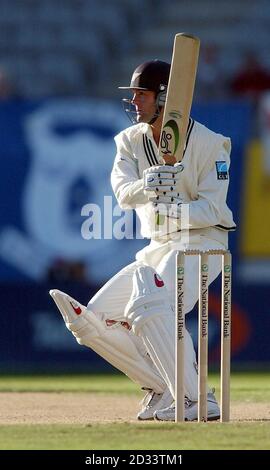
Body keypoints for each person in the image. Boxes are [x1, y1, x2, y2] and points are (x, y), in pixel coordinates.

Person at [50, 59, 236, 421]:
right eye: (133, 94)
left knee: (153, 303)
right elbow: (122, 192)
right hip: (158, 247)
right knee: (92, 321)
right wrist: (147, 184)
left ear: (165, 97)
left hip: (203, 244)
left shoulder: (213, 145)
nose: (134, 101)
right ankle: (162, 387)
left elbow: (214, 210)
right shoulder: (130, 141)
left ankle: (199, 399)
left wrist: (171, 209)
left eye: (142, 94)